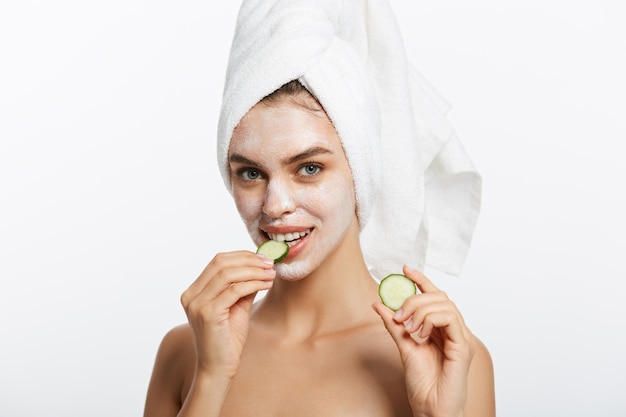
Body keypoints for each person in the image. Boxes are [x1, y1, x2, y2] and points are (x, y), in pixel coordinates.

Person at [144, 1, 495, 416]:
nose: (275, 207)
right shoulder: (187, 352)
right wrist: (212, 377)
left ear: (360, 171)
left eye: (309, 168)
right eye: (251, 173)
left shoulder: (445, 357)